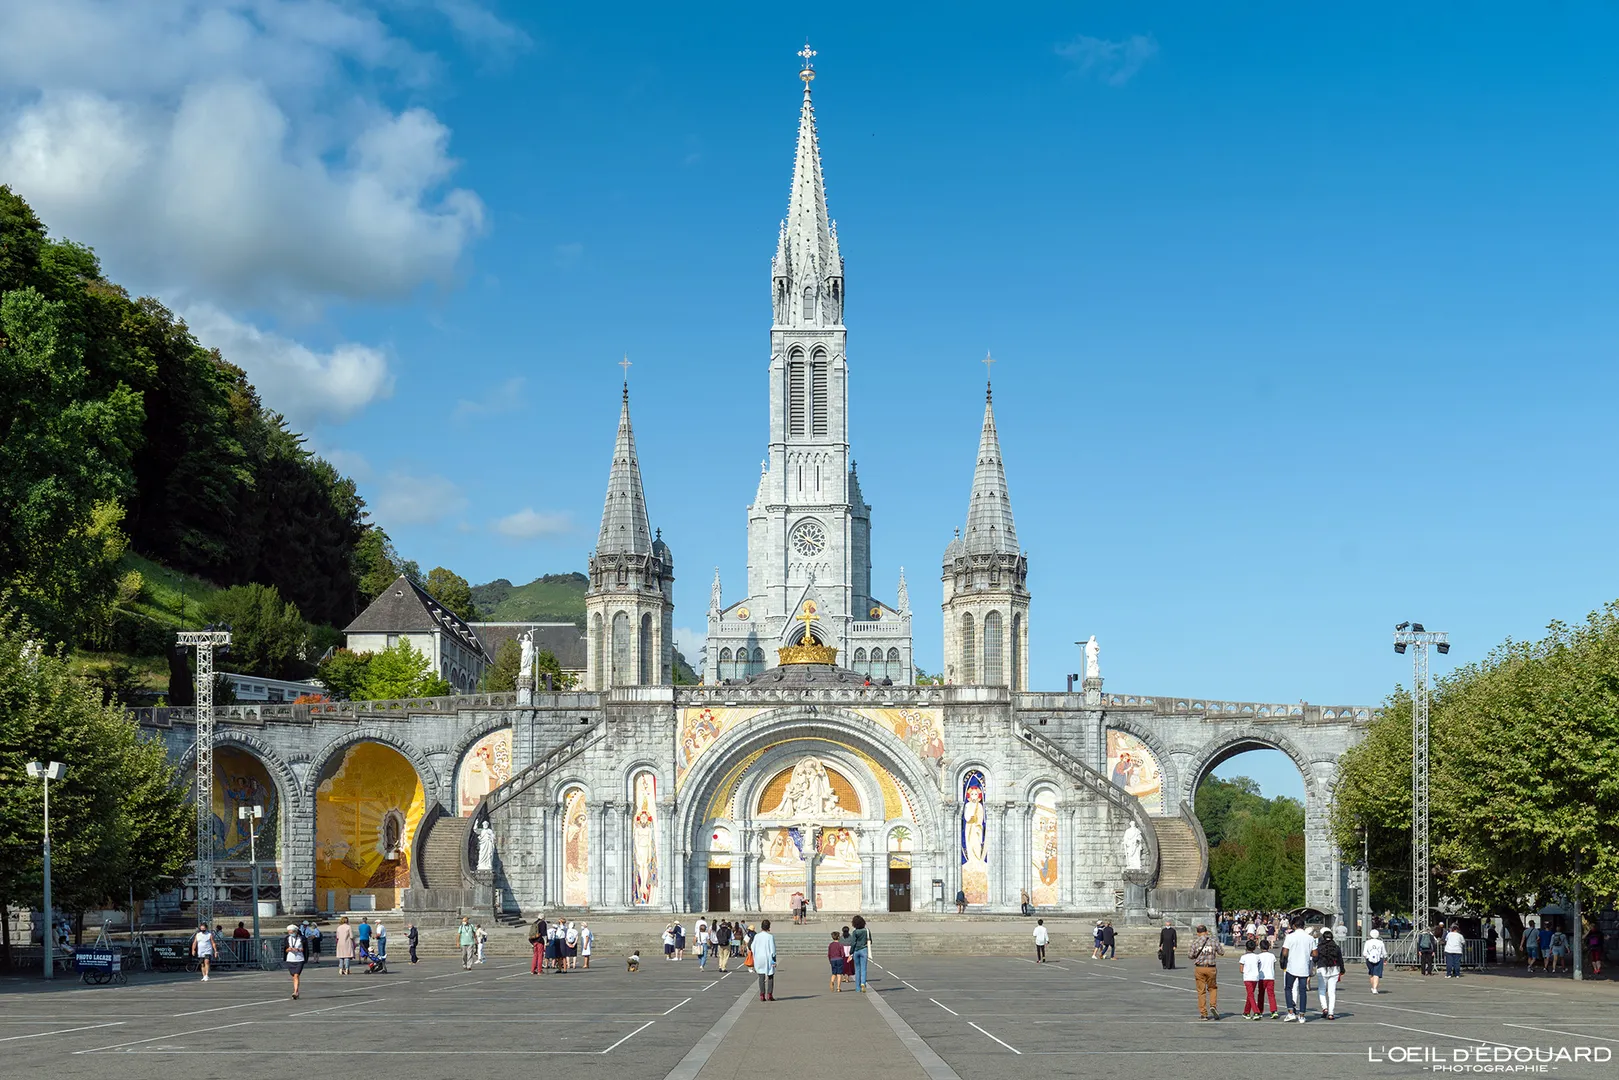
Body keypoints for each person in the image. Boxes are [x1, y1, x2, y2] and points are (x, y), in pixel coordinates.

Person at [1280, 918, 1314, 1022]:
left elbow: (1285, 952)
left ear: (1294, 926)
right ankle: (1302, 1015)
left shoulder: (1290, 937)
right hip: (1304, 967)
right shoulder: (1309, 938)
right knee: (1303, 991)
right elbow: (1315, 953)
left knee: (1288, 988)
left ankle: (1291, 1012)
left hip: (1292, 967)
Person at [1189, 923, 1223, 1020]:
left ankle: (1204, 1013)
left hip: (1199, 968)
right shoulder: (1214, 941)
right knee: (1212, 988)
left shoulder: (1195, 943)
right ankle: (1213, 1005)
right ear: (1206, 932)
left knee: (1201, 991)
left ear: (1198, 933)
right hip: (1211, 967)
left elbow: (1190, 955)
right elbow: (1221, 952)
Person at [1314, 930, 1343, 1019]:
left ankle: (1324, 1008)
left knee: (1322, 990)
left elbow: (1315, 959)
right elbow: (1340, 960)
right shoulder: (1336, 947)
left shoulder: (1319, 948)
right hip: (1334, 970)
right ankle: (1331, 1013)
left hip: (1322, 969)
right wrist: (1342, 970)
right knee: (1332, 992)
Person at [753, 919, 778, 1001]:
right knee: (770, 975)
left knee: (761, 976)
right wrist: (774, 961)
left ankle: (762, 994)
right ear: (769, 927)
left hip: (759, 958)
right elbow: (773, 950)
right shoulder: (770, 937)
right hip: (767, 958)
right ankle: (769, 994)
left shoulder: (757, 936)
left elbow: (753, 947)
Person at [1240, 939, 1263, 1019]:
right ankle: (1246, 1012)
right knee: (1250, 995)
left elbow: (1241, 969)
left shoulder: (1243, 957)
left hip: (1247, 978)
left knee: (1250, 995)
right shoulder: (1257, 957)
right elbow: (1259, 966)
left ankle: (1256, 1012)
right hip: (1255, 977)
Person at [284, 923, 306, 999]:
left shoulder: (301, 938)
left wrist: (298, 949)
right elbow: (285, 949)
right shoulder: (287, 938)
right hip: (290, 959)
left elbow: (305, 949)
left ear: (295, 931)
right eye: (289, 932)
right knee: (294, 976)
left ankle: (295, 991)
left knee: (296, 975)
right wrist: (289, 949)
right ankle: (297, 991)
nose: (290, 934)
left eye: (292, 932)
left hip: (299, 959)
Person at [850, 915, 871, 992]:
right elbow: (870, 941)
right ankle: (863, 983)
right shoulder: (867, 931)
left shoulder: (855, 932)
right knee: (864, 969)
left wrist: (851, 952)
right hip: (864, 949)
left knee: (857, 969)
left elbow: (853, 943)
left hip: (856, 951)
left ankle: (857, 988)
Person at [1363, 928, 1387, 994]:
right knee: (1377, 974)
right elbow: (1384, 952)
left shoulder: (1367, 942)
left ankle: (1373, 986)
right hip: (1379, 958)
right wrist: (1385, 958)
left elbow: (1364, 952)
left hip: (1369, 959)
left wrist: (1367, 957)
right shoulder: (1380, 942)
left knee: (1372, 973)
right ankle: (1375, 988)